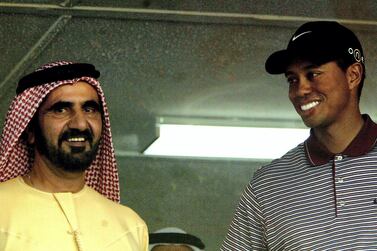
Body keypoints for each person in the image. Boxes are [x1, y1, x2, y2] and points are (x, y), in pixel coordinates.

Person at [221, 21, 377, 250]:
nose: (300, 90)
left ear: (353, 75)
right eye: (292, 79)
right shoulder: (267, 186)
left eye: (313, 74)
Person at [0, 61, 148, 250]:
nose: (80, 124)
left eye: (89, 109)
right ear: (30, 131)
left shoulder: (130, 226)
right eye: (61, 110)